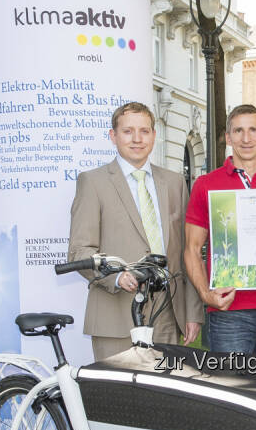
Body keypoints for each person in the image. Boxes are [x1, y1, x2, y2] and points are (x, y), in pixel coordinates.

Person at [68, 101, 204, 362]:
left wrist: (192, 312)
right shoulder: (92, 182)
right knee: (118, 399)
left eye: (144, 131)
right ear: (113, 136)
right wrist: (116, 277)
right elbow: (79, 250)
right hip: (115, 314)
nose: (137, 139)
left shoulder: (174, 183)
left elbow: (187, 253)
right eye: (128, 131)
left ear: (154, 135)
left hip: (167, 313)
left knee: (165, 398)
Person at [184, 105, 256, 355]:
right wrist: (206, 294)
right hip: (229, 310)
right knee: (229, 391)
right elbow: (192, 249)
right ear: (228, 137)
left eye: (253, 130)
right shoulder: (206, 185)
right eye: (238, 131)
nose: (246, 139)